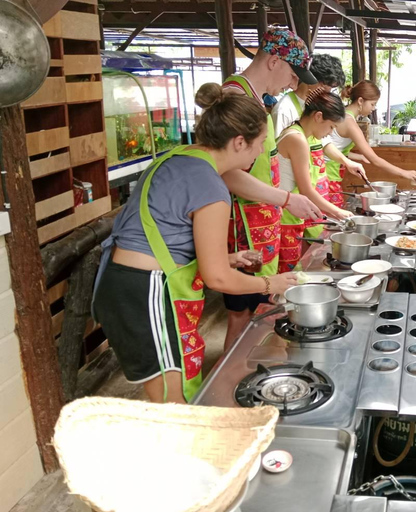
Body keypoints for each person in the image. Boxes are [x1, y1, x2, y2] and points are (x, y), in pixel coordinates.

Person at [93, 84, 298, 404]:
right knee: (172, 402)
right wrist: (273, 281)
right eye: (259, 145)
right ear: (239, 142)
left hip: (128, 285)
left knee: (174, 387)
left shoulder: (185, 157)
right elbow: (216, 279)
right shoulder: (211, 187)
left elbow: (168, 232)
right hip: (147, 293)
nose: (261, 153)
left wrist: (228, 257)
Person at [219, 27, 322, 351]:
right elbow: (225, 174)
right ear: (274, 61)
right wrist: (287, 198)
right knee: (241, 314)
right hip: (243, 227)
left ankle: (244, 373)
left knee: (259, 308)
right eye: (293, 75)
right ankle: (227, 389)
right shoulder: (234, 97)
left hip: (262, 222)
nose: (294, 85)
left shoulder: (255, 99)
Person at [271, 54, 365, 236]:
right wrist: (336, 211)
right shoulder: (286, 110)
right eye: (326, 87)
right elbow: (278, 159)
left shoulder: (312, 109)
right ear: (311, 80)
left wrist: (347, 161)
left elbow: (324, 142)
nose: (328, 92)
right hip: (293, 196)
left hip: (310, 192)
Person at [277, 91, 354, 272]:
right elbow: (306, 190)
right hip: (286, 216)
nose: (330, 132)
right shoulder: (297, 139)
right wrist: (338, 212)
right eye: (331, 127)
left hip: (291, 212)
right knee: (287, 273)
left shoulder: (300, 133)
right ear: (318, 116)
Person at [324, 80, 416, 208]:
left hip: (329, 171)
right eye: (372, 104)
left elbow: (334, 146)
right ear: (360, 101)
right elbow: (375, 160)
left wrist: (358, 157)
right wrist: (404, 173)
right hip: (327, 174)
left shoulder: (344, 114)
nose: (373, 108)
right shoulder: (349, 122)